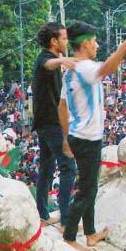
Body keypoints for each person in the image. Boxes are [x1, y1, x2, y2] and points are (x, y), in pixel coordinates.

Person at [58, 21, 126, 251]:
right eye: (94, 41)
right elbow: (106, 69)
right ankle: (70, 237)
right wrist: (124, 47)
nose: (96, 45)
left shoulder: (70, 71)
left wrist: (66, 137)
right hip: (87, 138)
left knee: (90, 186)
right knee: (86, 190)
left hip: (78, 135)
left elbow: (62, 106)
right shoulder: (84, 68)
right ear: (85, 43)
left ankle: (91, 232)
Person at [31, 22, 78, 228]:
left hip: (45, 122)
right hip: (51, 123)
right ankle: (67, 219)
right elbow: (48, 65)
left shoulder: (53, 59)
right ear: (53, 41)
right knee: (68, 167)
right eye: (64, 38)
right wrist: (66, 60)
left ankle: (42, 212)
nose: (67, 41)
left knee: (48, 167)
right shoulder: (45, 59)